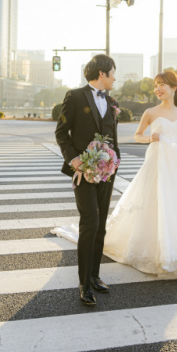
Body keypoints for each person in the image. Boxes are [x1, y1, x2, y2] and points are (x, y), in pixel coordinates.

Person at [54, 70, 177, 286]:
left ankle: (174, 250)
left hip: (175, 166)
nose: (158, 89)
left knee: (173, 205)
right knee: (154, 202)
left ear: (174, 87)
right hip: (156, 163)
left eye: (162, 85)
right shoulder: (150, 112)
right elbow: (137, 135)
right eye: (156, 85)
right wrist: (149, 138)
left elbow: (176, 137)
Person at [54, 54, 119, 306]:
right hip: (83, 171)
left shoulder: (112, 102)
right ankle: (83, 283)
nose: (115, 78)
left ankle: (95, 275)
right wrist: (74, 161)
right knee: (89, 221)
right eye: (113, 73)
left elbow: (113, 138)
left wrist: (115, 163)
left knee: (101, 224)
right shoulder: (75, 96)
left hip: (106, 173)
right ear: (102, 73)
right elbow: (61, 132)